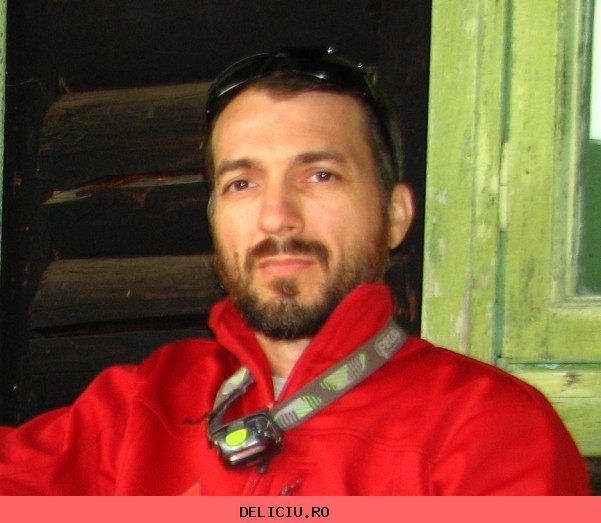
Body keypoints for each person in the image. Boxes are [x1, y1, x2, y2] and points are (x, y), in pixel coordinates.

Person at [0, 49, 591, 495]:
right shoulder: (135, 409)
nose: (277, 215)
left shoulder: (493, 432)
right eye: (242, 183)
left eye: (320, 174)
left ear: (394, 215)